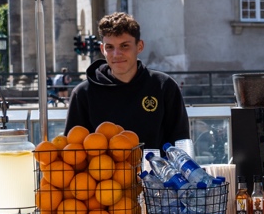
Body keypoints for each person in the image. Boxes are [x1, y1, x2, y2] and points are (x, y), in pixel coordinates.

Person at [64, 12, 189, 150]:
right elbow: (73, 152)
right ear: (102, 49)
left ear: (139, 46)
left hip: (157, 171)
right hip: (102, 171)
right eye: (110, 47)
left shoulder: (164, 86)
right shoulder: (83, 94)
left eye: (124, 46)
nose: (117, 54)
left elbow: (180, 142)